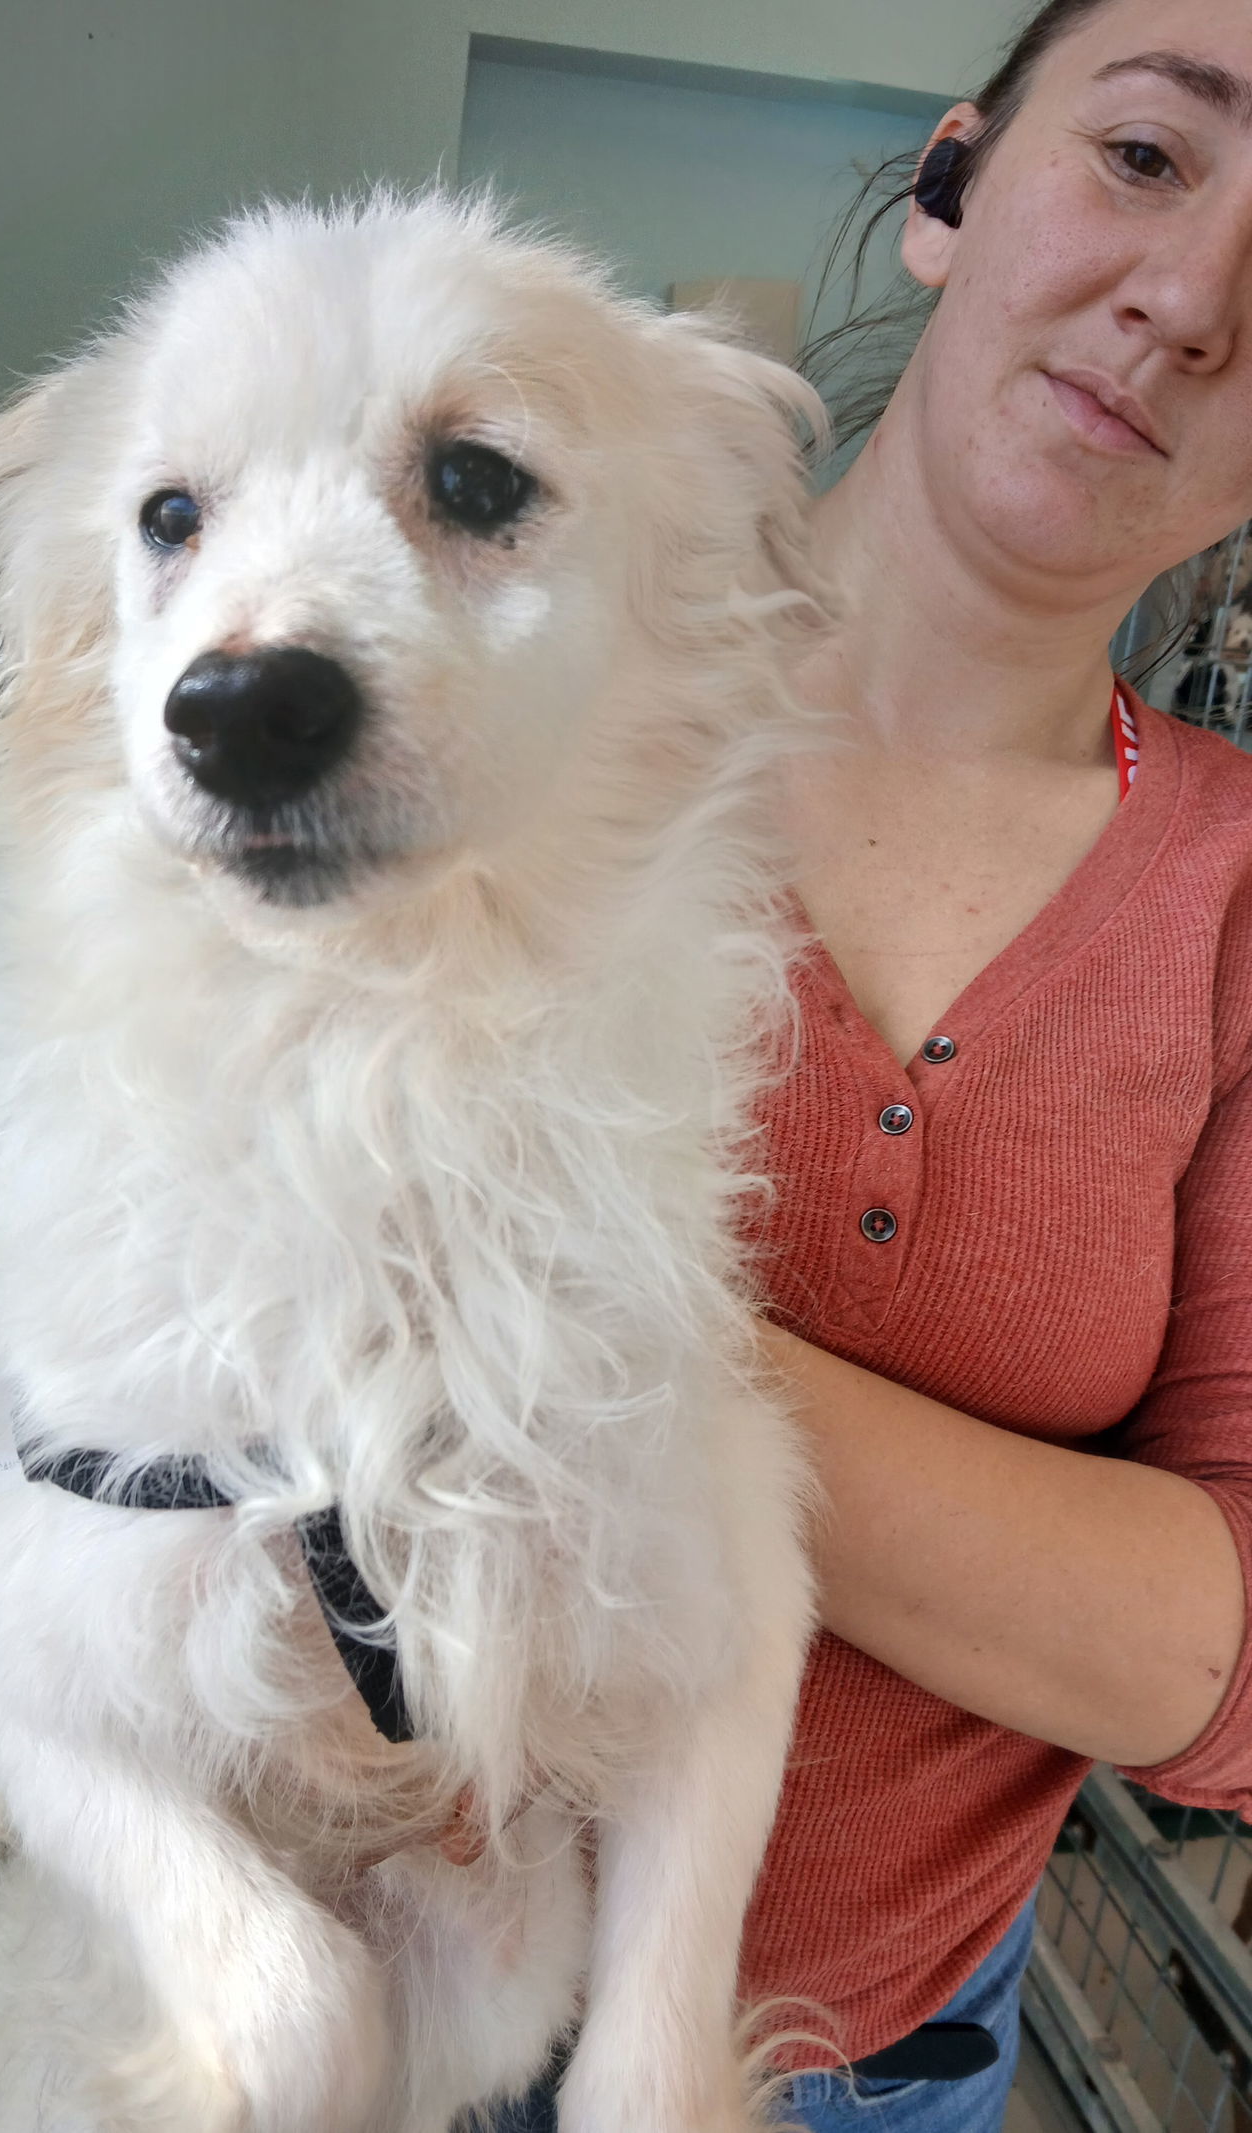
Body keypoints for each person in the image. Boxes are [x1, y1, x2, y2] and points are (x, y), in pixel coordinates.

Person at [492, 0, 1252, 2126]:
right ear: (946, 187)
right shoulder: (516, 683)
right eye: (1142, 155)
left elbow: (1216, 1668)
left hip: (870, 2064)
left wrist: (623, 1342)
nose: (1190, 299)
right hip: (358, 2000)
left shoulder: (1229, 904)